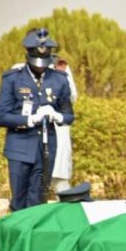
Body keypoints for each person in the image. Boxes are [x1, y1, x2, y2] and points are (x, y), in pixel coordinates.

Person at [0, 28, 74, 211]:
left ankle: (34, 238)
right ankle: (17, 238)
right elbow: (1, 116)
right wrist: (29, 119)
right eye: (37, 62)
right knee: (19, 202)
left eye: (44, 61)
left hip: (46, 149)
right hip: (19, 147)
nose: (40, 66)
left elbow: (69, 115)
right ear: (28, 54)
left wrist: (57, 115)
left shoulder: (60, 79)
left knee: (38, 202)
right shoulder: (13, 79)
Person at [50, 56, 78, 192]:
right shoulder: (24, 70)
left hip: (59, 132)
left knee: (60, 184)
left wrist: (60, 72)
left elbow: (72, 96)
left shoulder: (61, 67)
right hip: (33, 139)